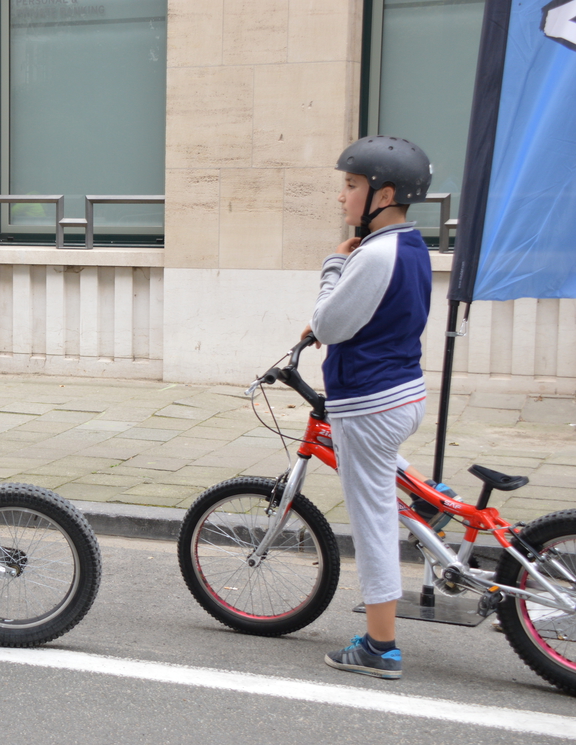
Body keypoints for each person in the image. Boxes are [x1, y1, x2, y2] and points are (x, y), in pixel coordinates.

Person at [300, 136, 433, 680]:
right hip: (403, 392)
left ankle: (381, 647)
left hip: (369, 404)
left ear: (386, 193)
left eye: (351, 185)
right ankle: (435, 505)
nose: (342, 197)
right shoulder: (410, 245)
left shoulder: (372, 255)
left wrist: (335, 264)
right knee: (387, 473)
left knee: (373, 520)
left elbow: (331, 323)